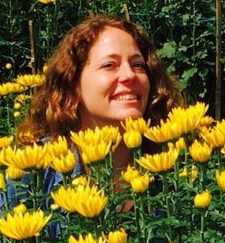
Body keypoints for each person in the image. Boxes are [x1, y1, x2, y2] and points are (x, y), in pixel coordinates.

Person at [17, 14, 183, 173]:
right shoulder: (34, 174)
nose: (130, 75)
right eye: (109, 65)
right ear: (73, 84)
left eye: (138, 64)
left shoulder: (178, 169)